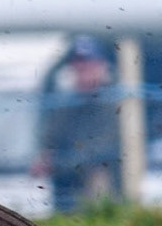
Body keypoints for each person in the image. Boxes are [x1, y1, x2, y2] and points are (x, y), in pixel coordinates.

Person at [32, 35, 121, 213]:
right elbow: (51, 136)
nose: (83, 73)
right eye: (78, 68)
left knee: (98, 182)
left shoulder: (113, 102)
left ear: (102, 66)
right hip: (66, 186)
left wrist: (56, 163)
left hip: (101, 185)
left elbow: (100, 151)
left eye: (88, 67)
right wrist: (45, 156)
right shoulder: (67, 104)